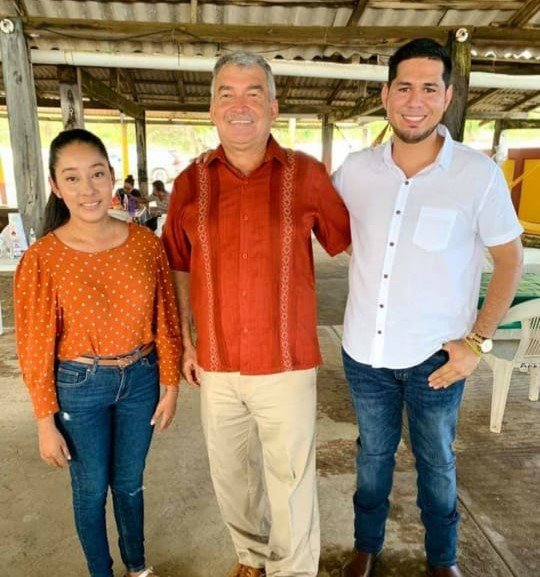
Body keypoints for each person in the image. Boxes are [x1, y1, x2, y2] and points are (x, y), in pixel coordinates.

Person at [332, 38, 523, 577]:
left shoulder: (476, 174)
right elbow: (327, 232)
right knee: (372, 457)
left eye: (429, 88)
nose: (415, 101)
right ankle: (366, 547)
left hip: (438, 359)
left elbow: (510, 260)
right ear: (386, 95)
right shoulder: (355, 171)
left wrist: (477, 343)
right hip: (365, 354)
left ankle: (443, 559)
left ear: (447, 97)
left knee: (436, 461)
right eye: (404, 87)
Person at [161, 51, 351, 577]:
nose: (239, 105)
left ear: (273, 106)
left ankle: (293, 571)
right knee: (231, 477)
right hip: (217, 362)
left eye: (253, 93)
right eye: (227, 93)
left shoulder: (306, 175)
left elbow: (349, 244)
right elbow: (178, 264)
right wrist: (187, 342)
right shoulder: (189, 182)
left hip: (286, 362)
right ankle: (251, 556)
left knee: (291, 481)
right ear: (212, 108)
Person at [14, 128, 182, 577]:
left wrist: (170, 385)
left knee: (128, 483)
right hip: (79, 387)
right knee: (90, 490)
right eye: (72, 178)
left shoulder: (145, 244)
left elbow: (166, 317)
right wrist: (44, 421)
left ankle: (137, 566)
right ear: (55, 186)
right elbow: (34, 346)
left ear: (111, 177)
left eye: (97, 174)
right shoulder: (43, 258)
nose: (87, 189)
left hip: (141, 379)